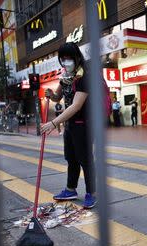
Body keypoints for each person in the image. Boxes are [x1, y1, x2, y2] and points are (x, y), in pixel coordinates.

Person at [41, 42, 96, 208]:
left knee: (85, 160)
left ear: (77, 57)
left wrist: (53, 122)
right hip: (70, 125)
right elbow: (59, 97)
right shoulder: (65, 76)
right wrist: (51, 95)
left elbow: (76, 105)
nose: (65, 62)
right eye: (62, 59)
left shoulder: (85, 77)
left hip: (84, 125)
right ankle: (70, 189)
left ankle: (91, 193)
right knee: (71, 159)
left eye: (68, 59)